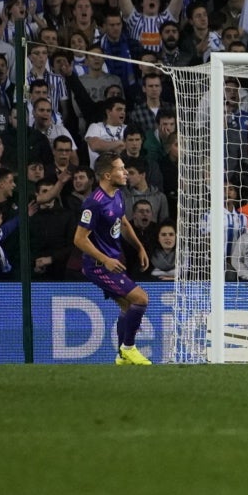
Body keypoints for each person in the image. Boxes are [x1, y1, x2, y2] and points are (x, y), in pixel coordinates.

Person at [73, 154, 153, 365]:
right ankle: (129, 348)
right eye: (121, 169)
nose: (125, 172)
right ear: (108, 175)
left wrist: (139, 247)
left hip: (113, 263)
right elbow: (79, 239)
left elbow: (124, 223)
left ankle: (121, 357)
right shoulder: (93, 204)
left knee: (128, 307)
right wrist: (105, 259)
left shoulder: (117, 194)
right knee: (141, 299)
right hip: (99, 266)